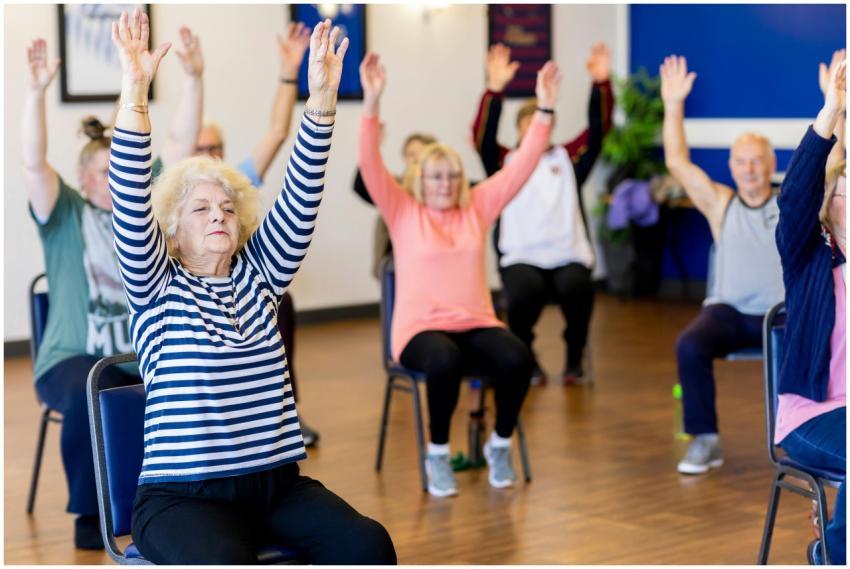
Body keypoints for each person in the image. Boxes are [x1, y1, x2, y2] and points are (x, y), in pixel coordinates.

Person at [107, 11, 395, 563]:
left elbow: (303, 191)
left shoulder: (260, 276)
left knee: (368, 545)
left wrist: (323, 103)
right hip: (180, 498)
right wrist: (135, 95)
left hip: (276, 486)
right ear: (170, 228)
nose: (218, 215)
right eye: (200, 208)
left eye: (227, 207)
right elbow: (127, 194)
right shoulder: (155, 287)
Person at [21, 30, 202, 549]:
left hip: (138, 352)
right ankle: (92, 514)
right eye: (101, 171)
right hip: (72, 357)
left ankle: (177, 495)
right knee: (90, 387)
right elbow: (34, 163)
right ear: (82, 175)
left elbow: (179, 146)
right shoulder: (65, 214)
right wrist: (35, 93)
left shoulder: (141, 214)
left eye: (118, 171)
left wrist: (193, 77)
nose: (112, 180)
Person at [358, 52, 561, 497]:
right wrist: (371, 102)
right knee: (443, 361)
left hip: (475, 323)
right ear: (419, 181)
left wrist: (544, 110)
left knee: (517, 358)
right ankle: (437, 455)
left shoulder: (477, 206)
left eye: (452, 176)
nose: (446, 184)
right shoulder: (403, 211)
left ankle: (500, 444)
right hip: (419, 332)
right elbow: (370, 165)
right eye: (436, 177)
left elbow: (522, 165)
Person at [660, 54, 785, 475]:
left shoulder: (792, 204)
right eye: (741, 162)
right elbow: (677, 162)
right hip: (729, 312)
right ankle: (704, 441)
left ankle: (805, 441)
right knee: (689, 344)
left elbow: (833, 166)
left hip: (781, 315)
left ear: (771, 166)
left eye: (757, 161)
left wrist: (836, 105)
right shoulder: (721, 203)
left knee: (822, 340)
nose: (749, 169)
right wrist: (674, 104)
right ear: (731, 167)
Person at [471, 42, 615, 386]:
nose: (537, 133)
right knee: (522, 295)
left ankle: (573, 360)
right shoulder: (505, 163)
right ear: (521, 131)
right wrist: (494, 89)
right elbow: (483, 138)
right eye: (529, 126)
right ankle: (526, 358)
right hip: (522, 257)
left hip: (568, 255)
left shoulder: (569, 159)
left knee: (579, 290)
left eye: (543, 124)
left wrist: (601, 84)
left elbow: (598, 130)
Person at [774, 51, 845, 566]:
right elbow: (797, 194)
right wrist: (831, 113)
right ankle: (834, 554)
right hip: (812, 417)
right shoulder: (810, 257)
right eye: (841, 188)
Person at [353, 131, 437, 278]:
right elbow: (361, 185)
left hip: (431, 267)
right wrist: (371, 146)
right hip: (394, 268)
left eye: (421, 154)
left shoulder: (443, 191)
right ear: (404, 158)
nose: (416, 159)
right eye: (411, 154)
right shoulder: (394, 188)